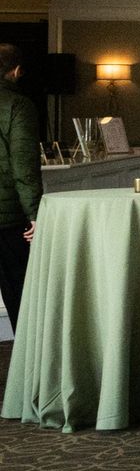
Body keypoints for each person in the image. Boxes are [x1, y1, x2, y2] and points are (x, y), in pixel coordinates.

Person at [0, 42, 41, 334]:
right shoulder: (17, 105)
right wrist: (37, 214)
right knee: (20, 294)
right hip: (8, 217)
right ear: (15, 71)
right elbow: (24, 167)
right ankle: (25, 367)